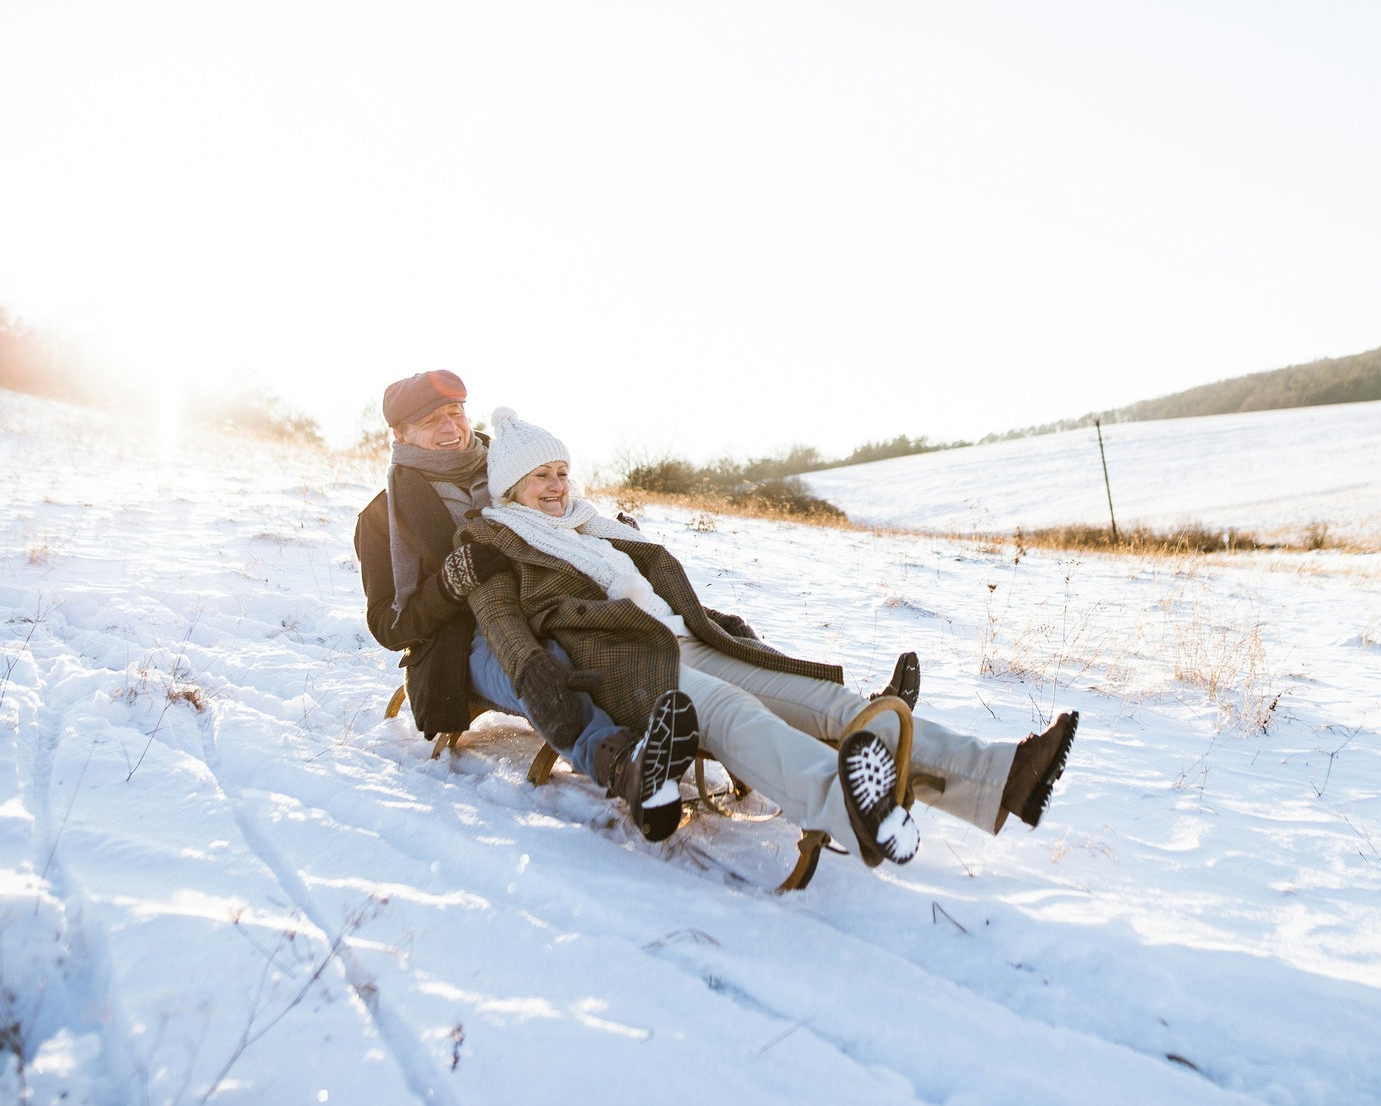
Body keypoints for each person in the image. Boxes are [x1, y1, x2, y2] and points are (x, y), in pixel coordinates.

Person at [446, 406, 1079, 869]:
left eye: (562, 471)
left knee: (827, 703)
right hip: (627, 665)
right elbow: (503, 628)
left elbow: (664, 591)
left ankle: (1000, 776)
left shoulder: (594, 524)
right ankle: (852, 809)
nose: (557, 486)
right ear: (510, 489)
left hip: (691, 639)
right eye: (541, 477)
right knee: (733, 714)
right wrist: (541, 686)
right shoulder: (494, 541)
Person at [356, 371, 656, 815]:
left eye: (454, 412)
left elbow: (561, 515)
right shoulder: (381, 516)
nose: (450, 428)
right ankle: (618, 763)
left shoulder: (510, 468)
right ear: (400, 434)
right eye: (430, 420)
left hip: (552, 599)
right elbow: (387, 625)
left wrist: (604, 537)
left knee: (645, 626)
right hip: (464, 640)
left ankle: (713, 719)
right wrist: (449, 584)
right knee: (543, 667)